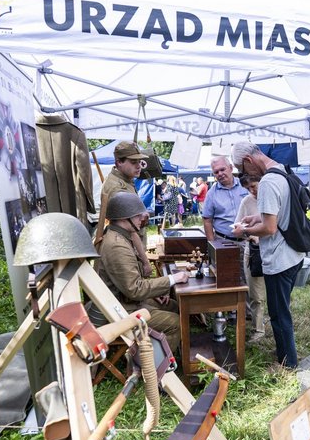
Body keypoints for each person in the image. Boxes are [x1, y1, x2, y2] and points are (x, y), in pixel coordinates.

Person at [230, 143, 304, 369]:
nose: (245, 175)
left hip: (279, 260)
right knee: (281, 311)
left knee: (279, 315)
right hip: (293, 254)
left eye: (242, 169)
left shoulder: (268, 183)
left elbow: (269, 229)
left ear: (249, 160)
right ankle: (283, 351)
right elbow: (277, 217)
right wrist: (255, 220)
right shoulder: (281, 170)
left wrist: (245, 230)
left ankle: (287, 363)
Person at [96, 192, 189, 350]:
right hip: (123, 309)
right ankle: (153, 369)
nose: (142, 219)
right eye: (138, 216)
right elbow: (135, 289)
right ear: (124, 218)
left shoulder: (120, 236)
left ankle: (170, 351)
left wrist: (155, 291)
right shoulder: (116, 245)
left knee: (173, 305)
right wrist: (173, 279)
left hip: (125, 300)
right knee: (175, 323)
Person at [235, 175, 267, 341]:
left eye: (254, 186)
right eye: (248, 188)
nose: (252, 191)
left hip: (273, 252)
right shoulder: (247, 202)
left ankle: (276, 323)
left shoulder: (272, 197)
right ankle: (258, 329)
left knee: (274, 292)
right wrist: (249, 235)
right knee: (256, 294)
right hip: (254, 253)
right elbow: (238, 227)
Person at [96, 141, 147, 244]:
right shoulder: (117, 187)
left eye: (139, 161)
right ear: (119, 162)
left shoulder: (125, 179)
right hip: (125, 244)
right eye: (133, 162)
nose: (138, 166)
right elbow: (127, 224)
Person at [201, 156, 249, 242]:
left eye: (222, 169)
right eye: (216, 172)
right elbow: (207, 221)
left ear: (230, 168)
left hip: (248, 240)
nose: (220, 174)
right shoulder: (211, 194)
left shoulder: (245, 186)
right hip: (223, 241)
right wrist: (213, 245)